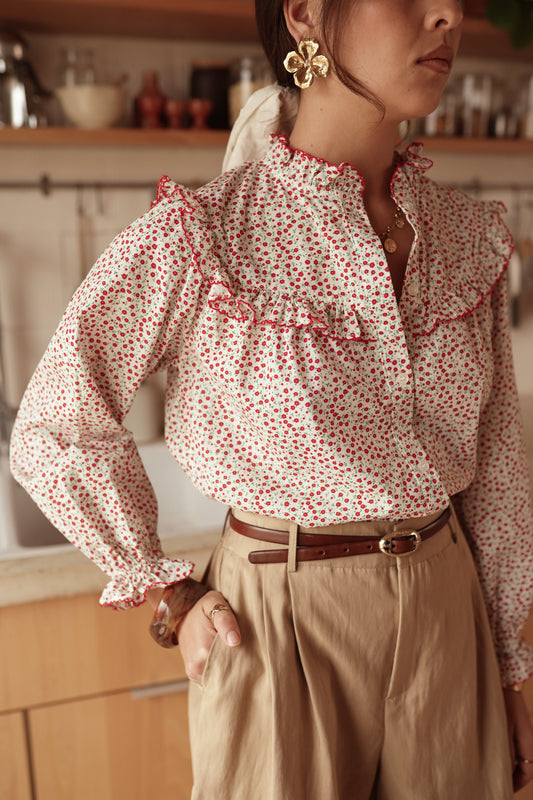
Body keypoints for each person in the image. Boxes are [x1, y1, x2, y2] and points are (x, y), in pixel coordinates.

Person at [9, 0, 533, 797]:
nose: (446, 14)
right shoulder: (204, 233)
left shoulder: (470, 241)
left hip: (445, 614)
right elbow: (55, 423)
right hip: (276, 620)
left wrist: (507, 669)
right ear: (304, 14)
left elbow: (496, 473)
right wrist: (170, 590)